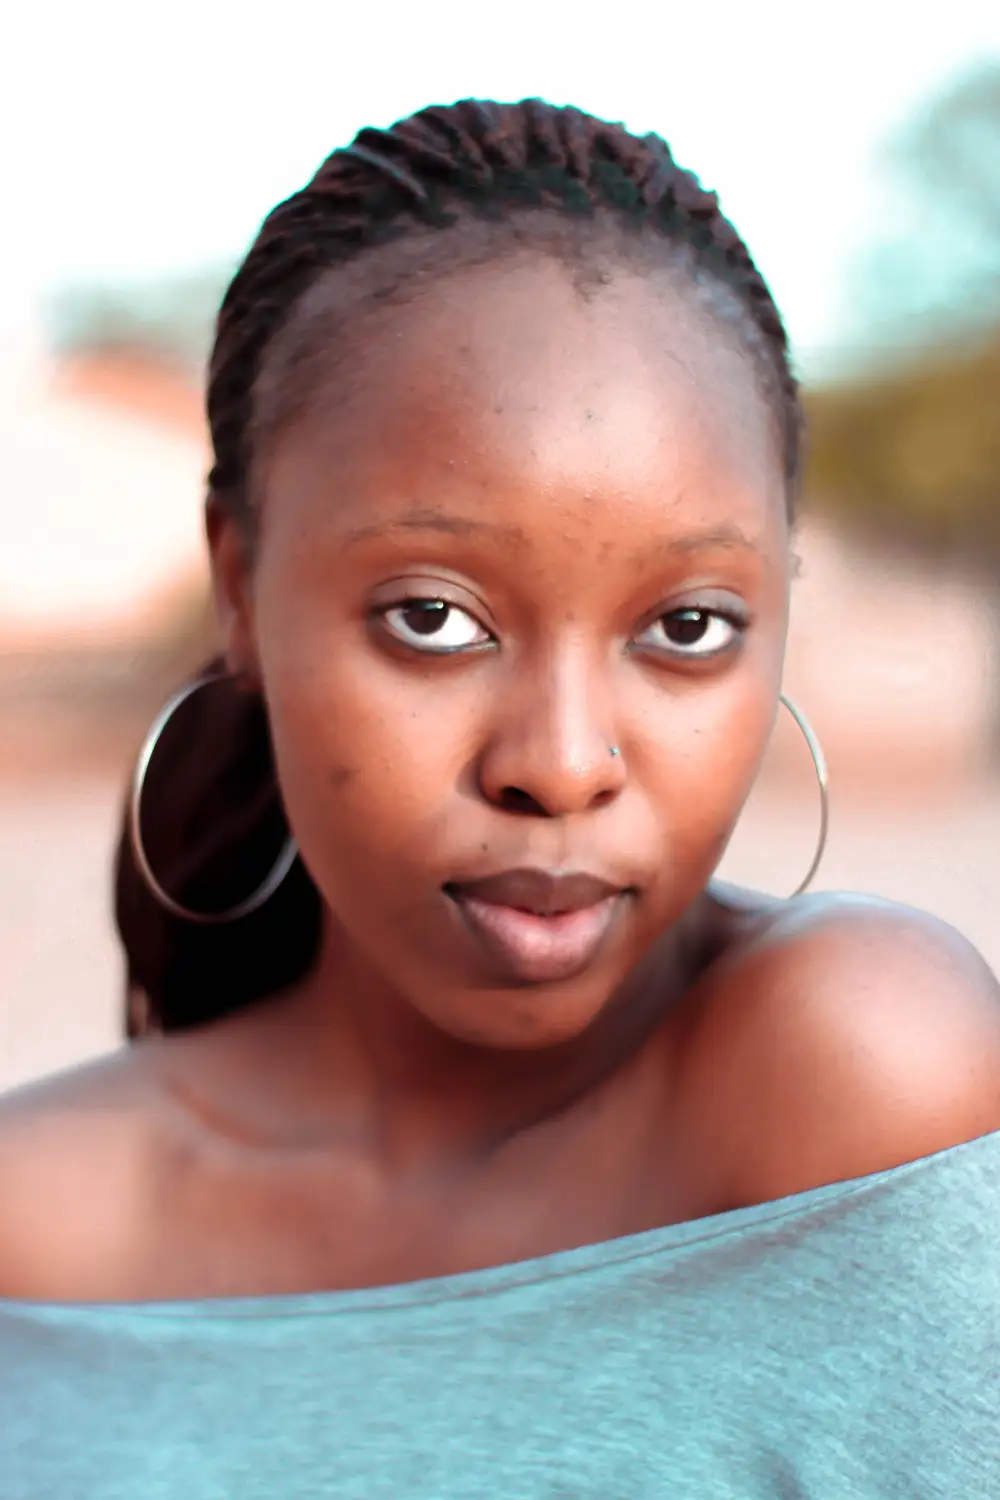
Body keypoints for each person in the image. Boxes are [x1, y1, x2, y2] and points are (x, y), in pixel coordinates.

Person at [2, 98, 999, 1498]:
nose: (564, 761)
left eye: (691, 627)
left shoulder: (849, 1074)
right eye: (433, 618)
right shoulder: (37, 1243)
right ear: (239, 579)